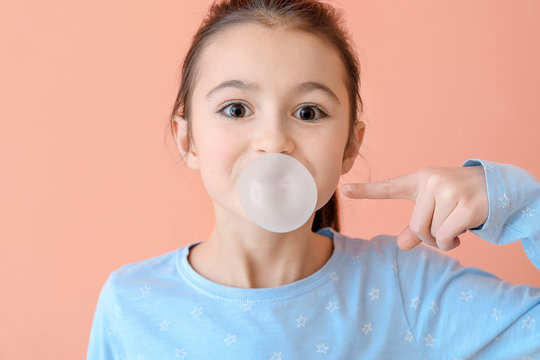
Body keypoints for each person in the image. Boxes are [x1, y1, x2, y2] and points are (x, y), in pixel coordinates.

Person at [87, 0, 540, 359]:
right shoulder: (132, 305)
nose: (273, 140)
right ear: (188, 140)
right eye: (236, 109)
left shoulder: (406, 289)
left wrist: (515, 204)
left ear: (349, 146)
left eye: (308, 112)